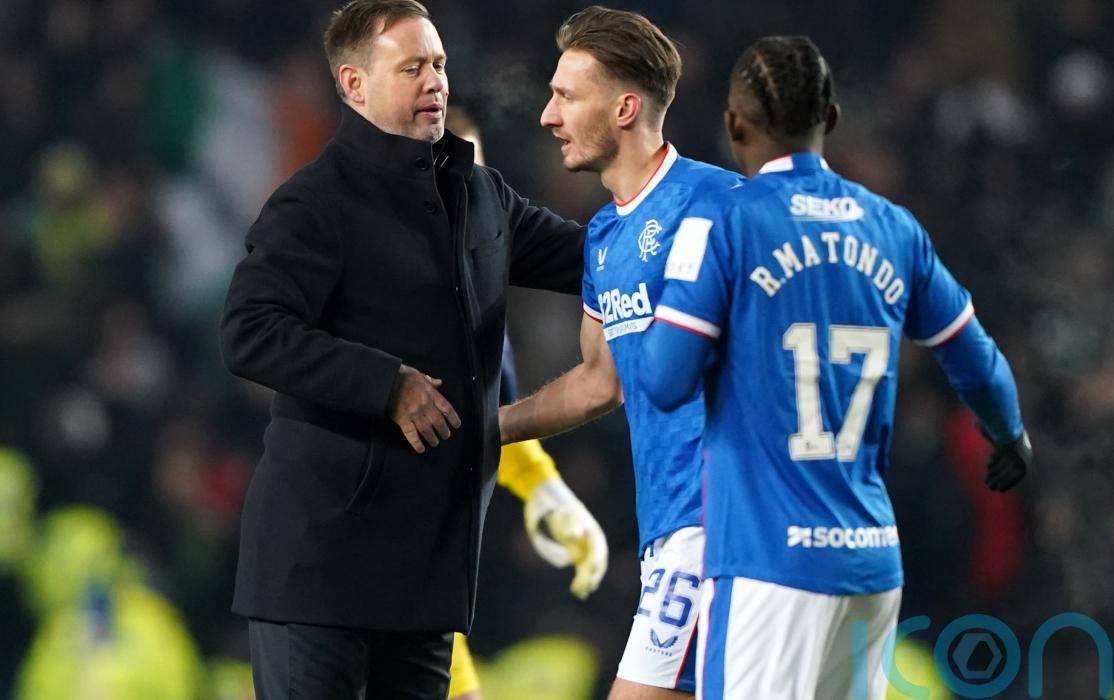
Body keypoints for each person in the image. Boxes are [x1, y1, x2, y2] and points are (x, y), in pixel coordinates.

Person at [638, 36, 1032, 699]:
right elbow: (979, 363)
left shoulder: (724, 223)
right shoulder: (894, 229)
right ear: (831, 118)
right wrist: (1010, 434)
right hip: (869, 567)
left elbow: (663, 380)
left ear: (734, 124)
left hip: (768, 563)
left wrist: (666, 291)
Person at [218, 0, 584, 696]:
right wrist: (387, 384)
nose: (435, 81)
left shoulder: (478, 193)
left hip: (425, 585)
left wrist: (684, 220)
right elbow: (249, 330)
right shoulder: (314, 203)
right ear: (353, 85)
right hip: (321, 577)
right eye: (412, 67)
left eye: (439, 64)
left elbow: (592, 259)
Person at [498, 7, 741, 699]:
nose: (548, 116)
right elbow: (598, 382)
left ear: (625, 108)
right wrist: (488, 430)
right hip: (669, 528)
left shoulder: (722, 205)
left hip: (722, 523)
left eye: (567, 97)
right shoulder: (605, 237)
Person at [444, 105, 609, 700]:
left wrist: (544, 487)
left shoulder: (473, 291)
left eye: (476, 177)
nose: (468, 197)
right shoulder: (369, 289)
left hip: (426, 577)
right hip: (351, 574)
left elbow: (487, 418)